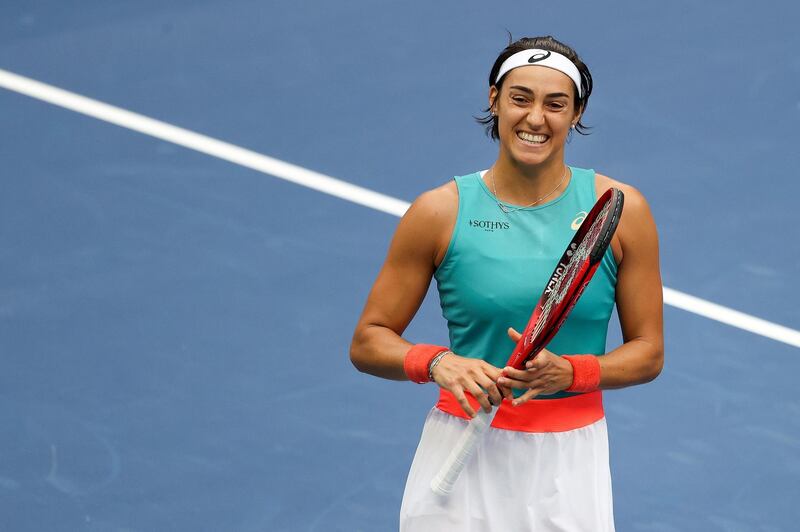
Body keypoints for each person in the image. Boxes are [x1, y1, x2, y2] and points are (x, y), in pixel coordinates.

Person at [350, 35, 663, 531]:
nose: (536, 118)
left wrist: (573, 373)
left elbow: (648, 352)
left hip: (569, 465)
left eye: (555, 104)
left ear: (577, 113)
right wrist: (436, 362)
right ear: (493, 99)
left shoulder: (622, 210)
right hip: (459, 449)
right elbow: (368, 341)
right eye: (520, 98)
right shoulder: (438, 212)